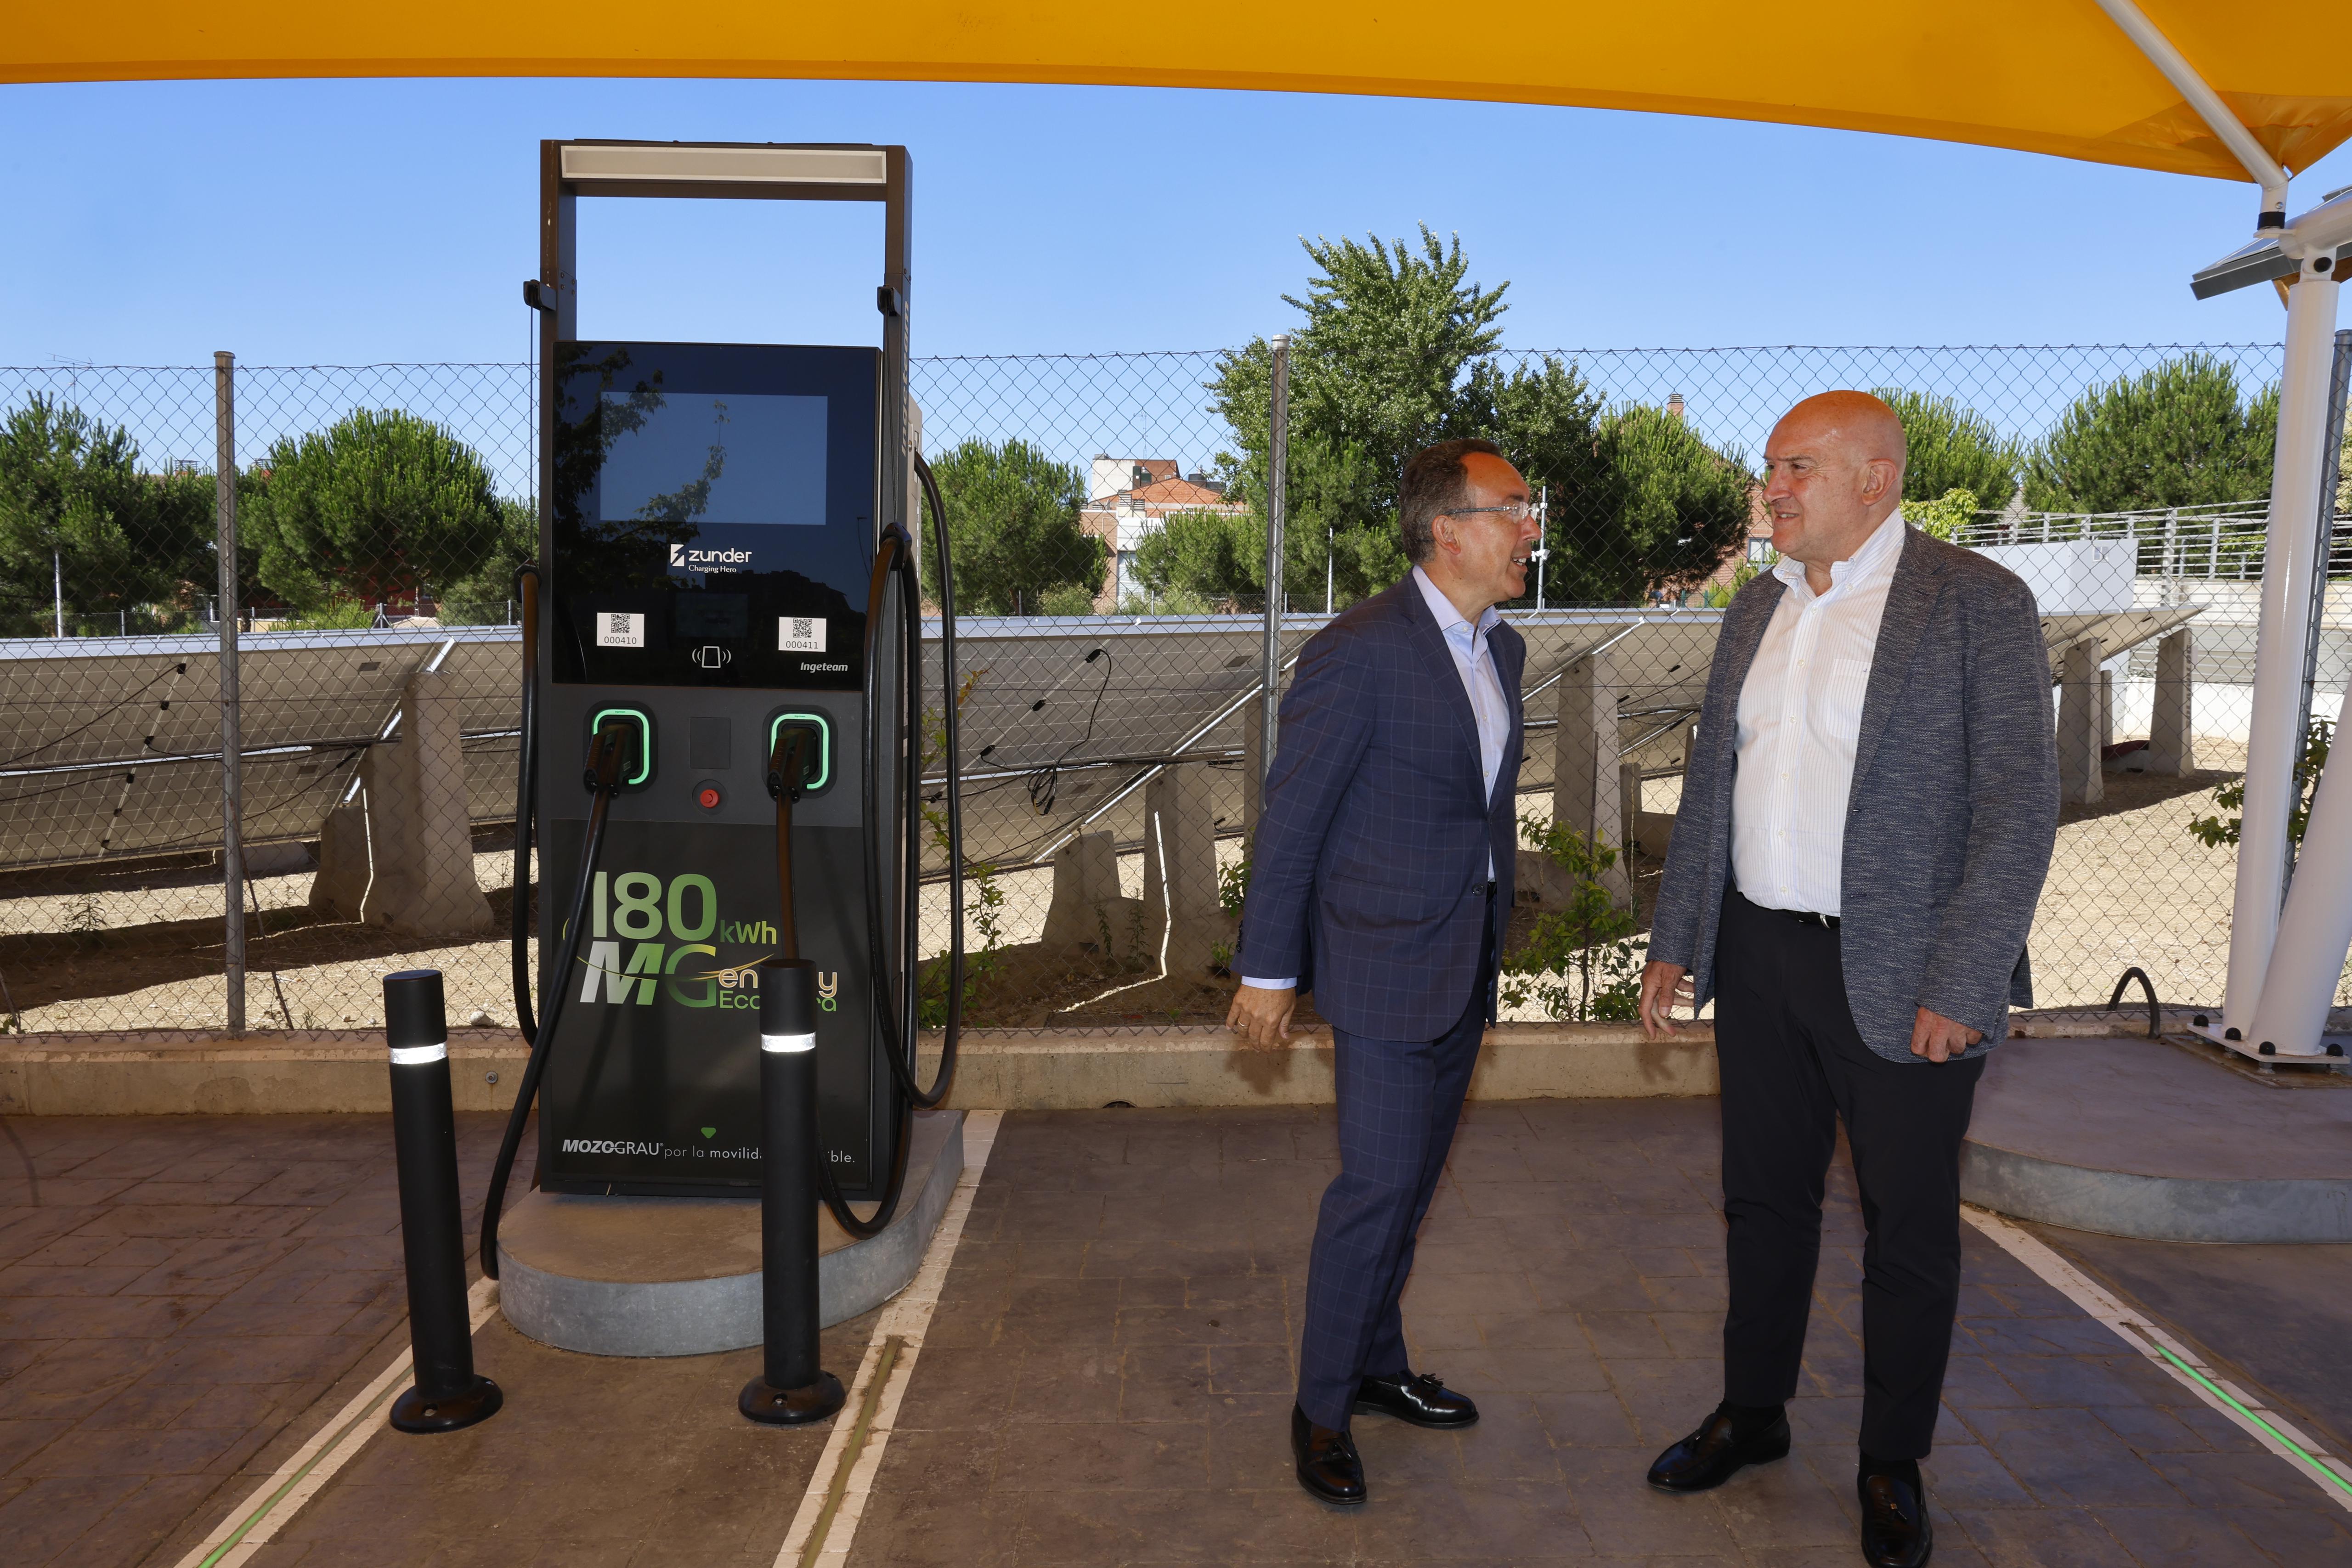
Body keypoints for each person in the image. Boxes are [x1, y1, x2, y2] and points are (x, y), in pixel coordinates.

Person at [1638, 392, 2058, 1568]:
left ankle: (1890, 1463)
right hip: (1758, 954)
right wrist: (1679, 935)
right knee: (1762, 1202)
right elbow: (1714, 786)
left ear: (1874, 479)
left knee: (1906, 1231)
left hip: (1907, 970)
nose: (1770, 491)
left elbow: (2018, 809)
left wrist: (1964, 982)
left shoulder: (1975, 602)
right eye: (1768, 469)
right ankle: (1753, 1412)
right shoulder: (1756, 606)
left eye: (1795, 470)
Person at [1226, 437, 1541, 1507]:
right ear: (1447, 530)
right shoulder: (1357, 651)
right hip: (1381, 965)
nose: (1530, 530)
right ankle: (1320, 1409)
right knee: (1374, 1191)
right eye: (1513, 510)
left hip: (1463, 960)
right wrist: (1269, 970)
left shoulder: (1502, 650)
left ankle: (1375, 1364)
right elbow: (1293, 819)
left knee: (1408, 1187)